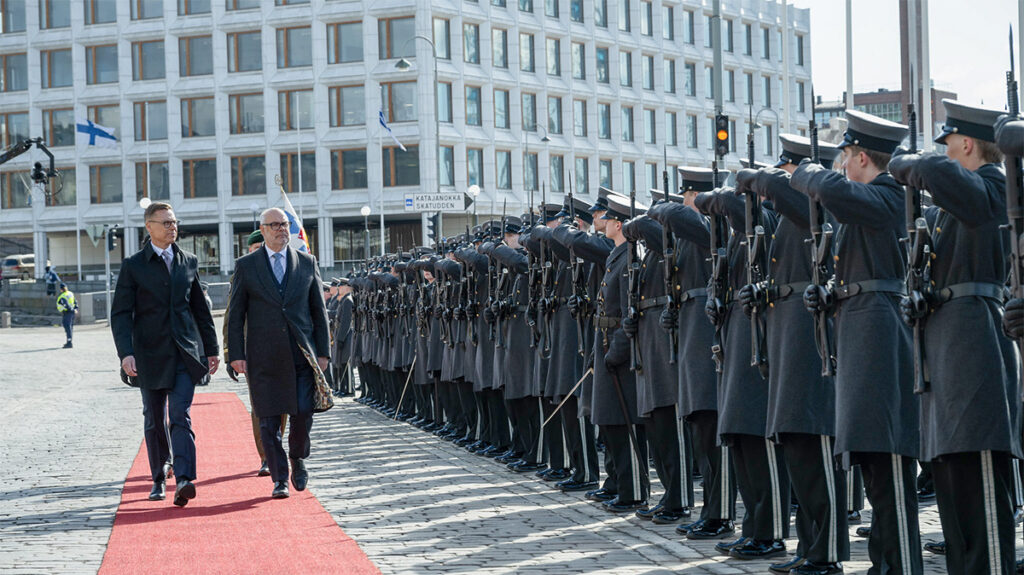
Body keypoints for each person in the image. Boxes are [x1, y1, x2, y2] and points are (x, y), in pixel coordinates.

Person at [890, 99, 1021, 574]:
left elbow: (940, 176)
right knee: (951, 479)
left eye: (947, 144)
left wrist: (910, 163)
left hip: (975, 347)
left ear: (967, 143)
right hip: (944, 347)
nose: (943, 154)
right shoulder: (957, 198)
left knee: (978, 478)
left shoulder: (993, 187)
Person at [793, 110, 922, 575]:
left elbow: (830, 190)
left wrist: (806, 171)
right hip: (859, 333)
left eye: (845, 156)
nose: (841, 166)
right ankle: (884, 563)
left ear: (862, 156)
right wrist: (829, 293)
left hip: (880, 339)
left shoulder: (887, 195)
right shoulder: (868, 201)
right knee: (871, 457)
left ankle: (900, 565)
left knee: (886, 457)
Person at [110, 201, 220, 507]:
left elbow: (200, 310)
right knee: (153, 418)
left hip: (185, 353)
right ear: (149, 227)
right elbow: (120, 314)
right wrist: (126, 353)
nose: (173, 227)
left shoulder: (189, 261)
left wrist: (210, 350)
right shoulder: (134, 266)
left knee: (179, 414)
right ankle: (158, 476)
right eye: (166, 223)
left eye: (174, 222)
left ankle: (184, 478)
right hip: (149, 355)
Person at [226, 208, 331, 500]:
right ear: (263, 229)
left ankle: (297, 455)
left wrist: (323, 352)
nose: (281, 229)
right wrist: (234, 354)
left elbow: (318, 312)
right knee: (269, 422)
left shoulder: (307, 263)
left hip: (301, 355)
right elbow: (236, 315)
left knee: (302, 413)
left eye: (284, 224)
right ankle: (279, 478)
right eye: (274, 225)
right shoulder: (247, 266)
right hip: (263, 357)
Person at [223, 229, 287, 477]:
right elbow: (232, 317)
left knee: (282, 404)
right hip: (253, 351)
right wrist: (231, 353)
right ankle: (266, 457)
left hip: (282, 350)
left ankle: (277, 447)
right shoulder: (244, 272)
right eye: (253, 250)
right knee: (260, 405)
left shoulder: (283, 272)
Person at [56, 283, 77, 348]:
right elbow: (75, 302)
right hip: (72, 313)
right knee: (70, 327)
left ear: (61, 289)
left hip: (67, 313)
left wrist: (71, 310)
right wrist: (75, 309)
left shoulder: (62, 296)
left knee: (67, 327)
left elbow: (66, 305)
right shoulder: (70, 293)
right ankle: (69, 341)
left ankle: (69, 342)